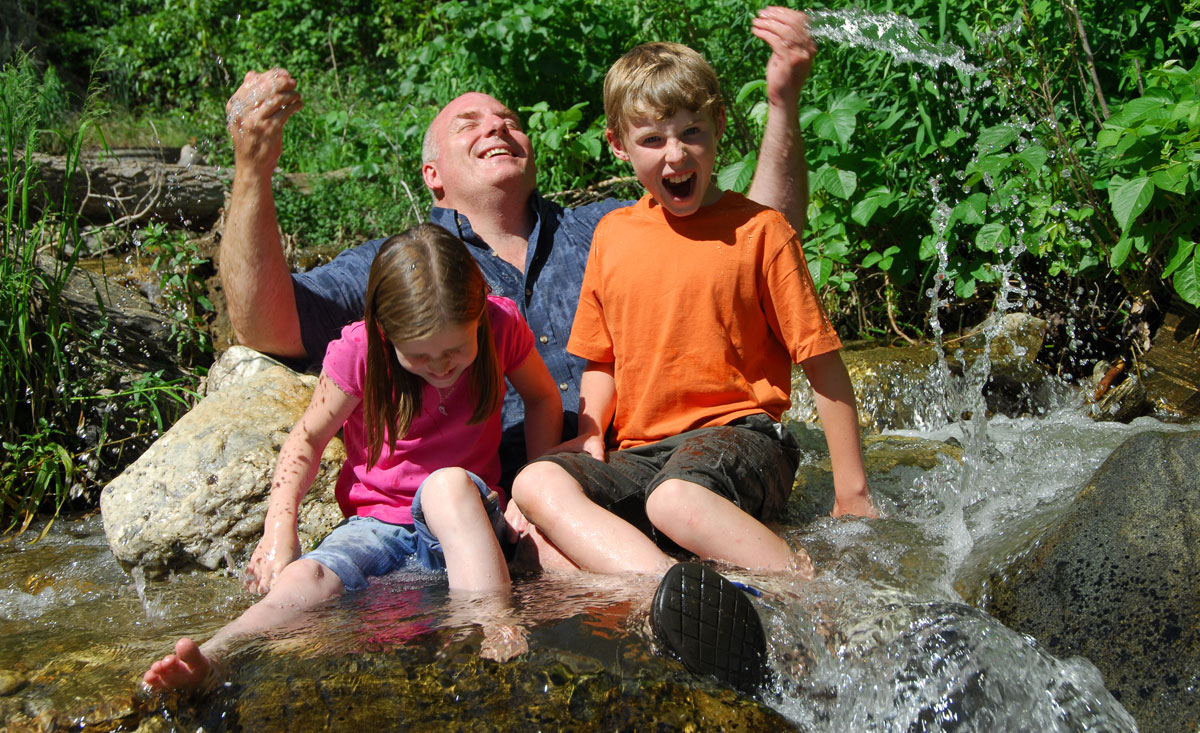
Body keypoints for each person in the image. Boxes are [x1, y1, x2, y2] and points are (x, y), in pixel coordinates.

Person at [219, 7, 825, 491]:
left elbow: (755, 236)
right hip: (497, 500)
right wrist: (252, 168)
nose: (497, 126)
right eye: (469, 123)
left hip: (647, 469)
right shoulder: (409, 267)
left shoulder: (612, 228)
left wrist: (783, 102)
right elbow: (267, 326)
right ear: (433, 174)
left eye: (507, 118)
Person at [508, 41, 877, 686]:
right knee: (535, 483)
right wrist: (591, 430)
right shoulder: (613, 236)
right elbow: (602, 358)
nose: (675, 154)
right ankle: (675, 596)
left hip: (741, 436)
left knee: (676, 503)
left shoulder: (760, 232)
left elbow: (821, 361)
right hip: (643, 451)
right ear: (619, 146)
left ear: (719, 132)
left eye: (691, 134)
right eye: (653, 139)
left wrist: (853, 491)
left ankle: (811, 593)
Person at [142, 224, 562, 692]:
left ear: (479, 314)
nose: (442, 366)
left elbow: (544, 400)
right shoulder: (360, 352)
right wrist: (280, 531)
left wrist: (529, 495)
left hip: (470, 523)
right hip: (378, 527)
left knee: (446, 486)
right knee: (309, 574)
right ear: (385, 330)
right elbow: (306, 441)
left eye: (455, 350)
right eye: (420, 356)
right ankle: (220, 653)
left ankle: (491, 625)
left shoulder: (501, 325)